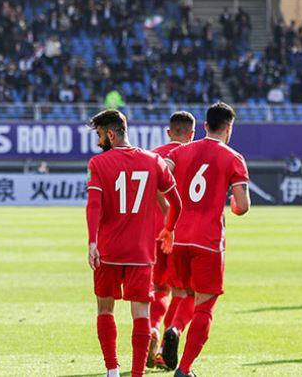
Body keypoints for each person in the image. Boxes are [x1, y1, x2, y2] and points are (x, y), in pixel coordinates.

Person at [86, 110, 183, 377]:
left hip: (109, 250)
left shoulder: (98, 163)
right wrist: (169, 229)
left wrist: (92, 242)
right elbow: (176, 202)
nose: (98, 142)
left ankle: (112, 370)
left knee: (105, 308)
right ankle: (137, 373)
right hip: (141, 252)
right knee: (141, 312)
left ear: (110, 134)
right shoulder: (153, 161)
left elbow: (94, 206)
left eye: (99, 135)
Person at [159, 102, 251, 376]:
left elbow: (160, 172)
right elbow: (242, 206)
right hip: (208, 240)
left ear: (205, 126)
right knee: (205, 305)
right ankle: (184, 369)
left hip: (179, 236)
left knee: (184, 294)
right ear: (229, 128)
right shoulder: (233, 157)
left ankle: (173, 329)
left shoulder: (181, 150)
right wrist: (232, 206)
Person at [149, 111, 196, 370]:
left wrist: (163, 211)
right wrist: (171, 213)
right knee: (184, 291)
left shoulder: (153, 155)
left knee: (159, 289)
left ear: (169, 132)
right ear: (192, 134)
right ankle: (168, 341)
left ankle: (153, 329)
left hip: (154, 233)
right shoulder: (195, 155)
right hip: (185, 234)